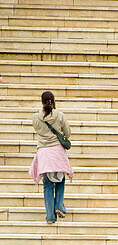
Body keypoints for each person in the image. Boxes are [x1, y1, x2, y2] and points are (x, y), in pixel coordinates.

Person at [29, 91, 74, 224]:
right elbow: (68, 133)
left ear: (42, 102)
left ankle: (50, 216)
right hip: (57, 152)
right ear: (53, 101)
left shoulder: (36, 117)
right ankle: (59, 205)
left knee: (47, 185)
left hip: (44, 153)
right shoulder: (59, 116)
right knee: (60, 180)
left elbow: (37, 130)